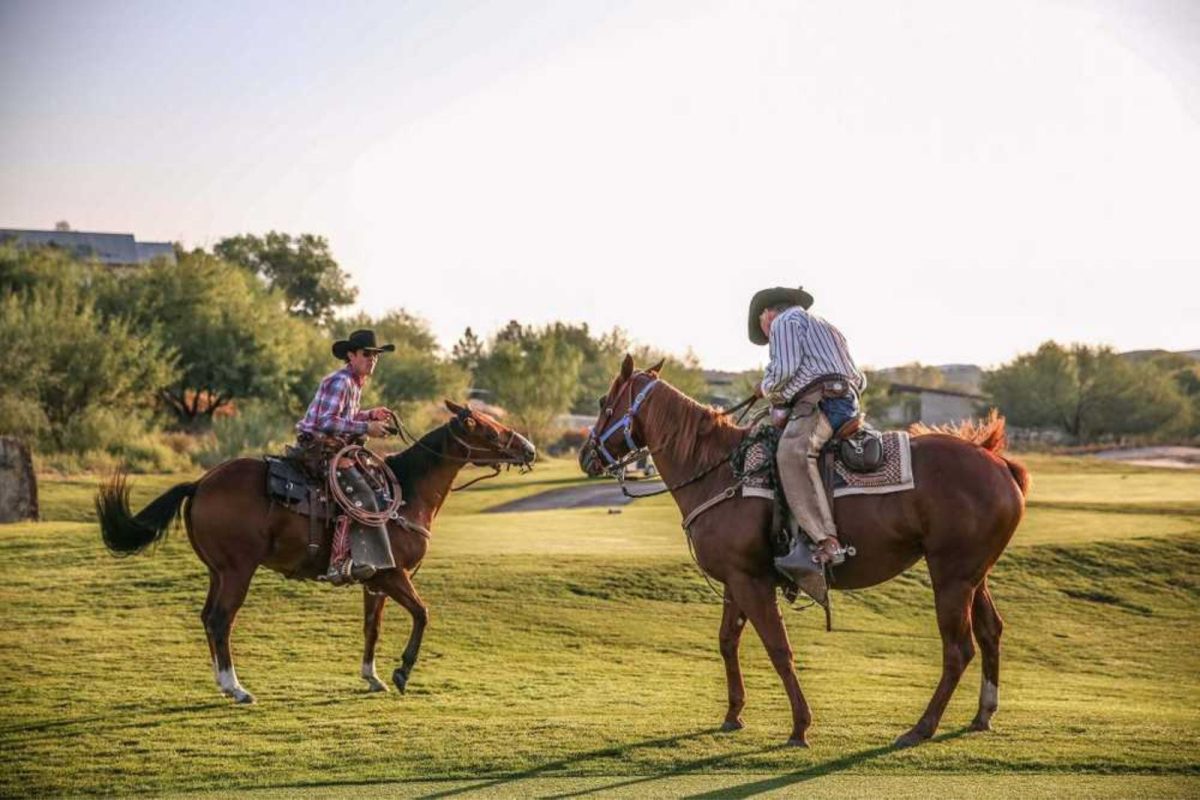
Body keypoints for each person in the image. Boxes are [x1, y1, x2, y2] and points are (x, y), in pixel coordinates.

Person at [748, 287, 865, 568]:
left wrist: (764, 389)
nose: (766, 335)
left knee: (792, 454)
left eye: (763, 326)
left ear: (767, 313)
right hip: (846, 399)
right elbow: (860, 379)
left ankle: (826, 540)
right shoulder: (829, 327)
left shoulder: (784, 322)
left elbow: (784, 369)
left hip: (822, 402)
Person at [296, 329, 396, 582]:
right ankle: (338, 563)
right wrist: (366, 428)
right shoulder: (341, 381)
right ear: (351, 356)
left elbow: (345, 417)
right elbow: (326, 421)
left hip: (334, 446)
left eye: (375, 355)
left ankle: (363, 557)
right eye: (367, 354)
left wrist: (369, 414)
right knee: (361, 493)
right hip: (319, 448)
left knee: (372, 485)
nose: (372, 359)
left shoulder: (353, 382)